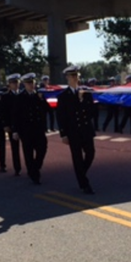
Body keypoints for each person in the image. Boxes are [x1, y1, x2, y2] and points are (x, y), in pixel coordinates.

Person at [56, 65, 96, 194]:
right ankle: (84, 184)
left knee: (90, 154)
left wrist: (81, 100)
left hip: (86, 130)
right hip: (73, 132)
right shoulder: (63, 96)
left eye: (76, 75)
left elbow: (92, 112)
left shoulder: (86, 93)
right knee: (77, 158)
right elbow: (61, 116)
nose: (75, 78)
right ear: (67, 78)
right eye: (72, 75)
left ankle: (80, 174)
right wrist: (63, 134)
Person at [16, 73, 50, 184]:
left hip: (39, 129)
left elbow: (47, 110)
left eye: (32, 82)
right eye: (28, 83)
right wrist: (15, 130)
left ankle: (35, 167)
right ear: (24, 84)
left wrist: (41, 100)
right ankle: (34, 174)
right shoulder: (20, 98)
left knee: (42, 149)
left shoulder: (39, 96)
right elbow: (15, 115)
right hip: (26, 130)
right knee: (28, 153)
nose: (31, 85)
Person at [3, 74, 24, 175]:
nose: (15, 84)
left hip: (24, 125)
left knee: (27, 147)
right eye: (13, 83)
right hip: (12, 126)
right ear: (9, 84)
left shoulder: (22, 95)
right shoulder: (6, 97)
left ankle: (30, 167)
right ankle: (17, 168)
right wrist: (6, 125)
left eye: (17, 82)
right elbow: (5, 112)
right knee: (15, 148)